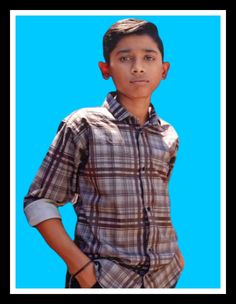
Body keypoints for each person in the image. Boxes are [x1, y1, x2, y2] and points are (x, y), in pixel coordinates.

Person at [24, 18, 184, 289]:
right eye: (125, 58)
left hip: (164, 278)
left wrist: (176, 256)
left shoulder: (168, 134)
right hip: (104, 280)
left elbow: (157, 204)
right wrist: (81, 268)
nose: (138, 67)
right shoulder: (83, 125)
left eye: (149, 57)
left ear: (164, 69)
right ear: (105, 69)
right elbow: (39, 201)